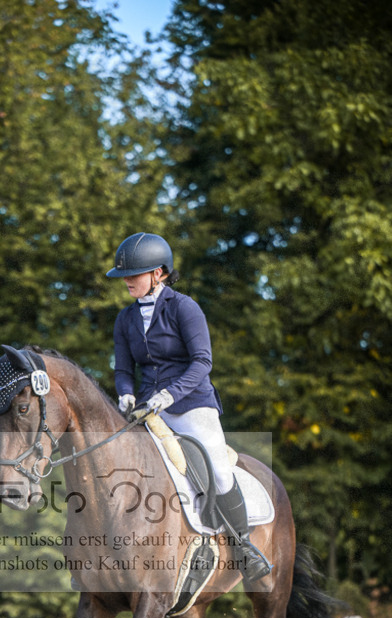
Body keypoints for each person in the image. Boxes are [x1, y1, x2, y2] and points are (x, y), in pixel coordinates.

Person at [107, 231, 272, 585]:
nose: (127, 282)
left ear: (159, 273)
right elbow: (124, 369)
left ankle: (244, 547)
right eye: (124, 276)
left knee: (217, 467)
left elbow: (202, 362)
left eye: (134, 275)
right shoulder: (125, 319)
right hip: (147, 409)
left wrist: (170, 395)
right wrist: (124, 394)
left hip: (192, 403)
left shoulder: (184, 307)